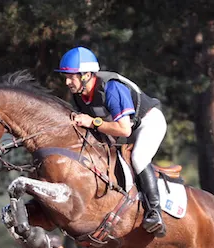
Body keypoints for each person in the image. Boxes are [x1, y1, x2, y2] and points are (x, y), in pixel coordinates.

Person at [55, 46, 168, 237]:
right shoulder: (80, 95)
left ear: (86, 75)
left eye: (71, 76)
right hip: (123, 130)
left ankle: (154, 212)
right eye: (66, 76)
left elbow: (124, 128)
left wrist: (92, 122)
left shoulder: (111, 88)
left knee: (139, 158)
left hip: (148, 122)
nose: (67, 82)